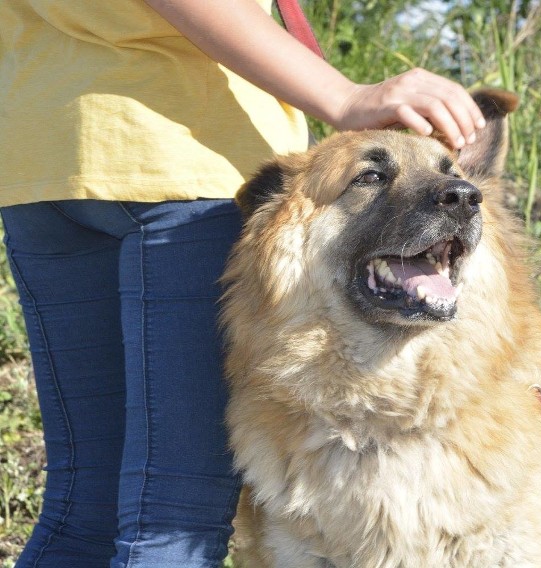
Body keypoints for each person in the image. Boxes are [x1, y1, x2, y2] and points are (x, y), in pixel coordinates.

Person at [0, 1, 486, 566]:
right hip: (180, 156)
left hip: (41, 152)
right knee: (171, 518)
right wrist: (344, 97)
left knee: (84, 510)